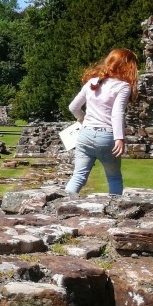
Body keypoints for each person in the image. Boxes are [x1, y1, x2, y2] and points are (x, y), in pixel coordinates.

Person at [64, 48, 139, 196]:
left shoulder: (92, 82)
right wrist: (119, 138)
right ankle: (115, 211)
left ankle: (61, 207)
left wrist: (82, 119)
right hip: (106, 137)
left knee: (78, 177)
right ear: (128, 66)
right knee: (114, 178)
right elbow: (117, 113)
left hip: (85, 135)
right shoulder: (123, 87)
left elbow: (73, 107)